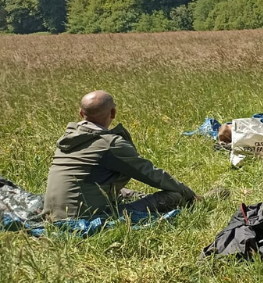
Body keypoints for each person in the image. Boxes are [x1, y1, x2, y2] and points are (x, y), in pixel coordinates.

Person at [43, 91, 198, 221]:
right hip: (87, 218)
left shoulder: (68, 138)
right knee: (175, 196)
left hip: (52, 214)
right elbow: (154, 175)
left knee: (123, 192)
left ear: (81, 113)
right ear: (113, 113)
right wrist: (191, 195)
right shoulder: (111, 143)